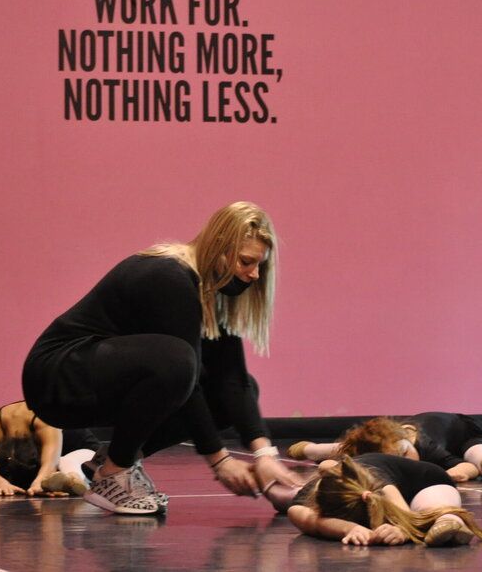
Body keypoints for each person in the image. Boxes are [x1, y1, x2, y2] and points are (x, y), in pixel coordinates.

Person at [21, 201, 301, 515]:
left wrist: (266, 459)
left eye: (259, 265)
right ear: (219, 247)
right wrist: (220, 460)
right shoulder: (169, 276)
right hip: (56, 377)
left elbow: (232, 379)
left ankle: (107, 462)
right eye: (247, 262)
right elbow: (184, 377)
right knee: (178, 362)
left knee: (232, 390)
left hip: (97, 375)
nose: (254, 274)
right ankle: (115, 474)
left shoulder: (209, 292)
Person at [260, 453, 482, 547]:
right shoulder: (306, 500)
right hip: (369, 491)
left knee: (430, 508)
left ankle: (449, 519)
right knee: (285, 503)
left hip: (426, 480)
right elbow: (309, 521)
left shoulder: (382, 486)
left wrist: (400, 530)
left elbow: (406, 518)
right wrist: (352, 528)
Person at [289, 412, 482, 483]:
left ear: (407, 444)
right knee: (351, 448)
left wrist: (447, 475)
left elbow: (463, 467)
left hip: (464, 431)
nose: (407, 461)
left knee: (475, 452)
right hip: (407, 430)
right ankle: (314, 449)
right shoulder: (382, 447)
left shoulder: (424, 447)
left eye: (405, 454)